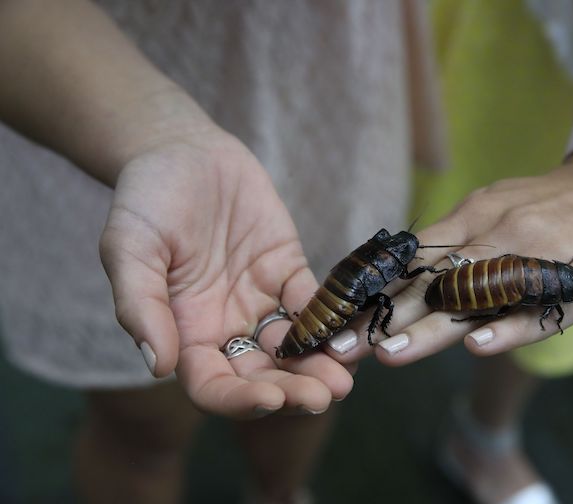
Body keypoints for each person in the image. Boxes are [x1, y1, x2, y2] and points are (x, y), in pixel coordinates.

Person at [0, 1, 445, 501]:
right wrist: (162, 137)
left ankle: (280, 492)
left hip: (327, 98)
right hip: (83, 94)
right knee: (143, 430)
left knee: (301, 405)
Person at [325, 1, 573, 502]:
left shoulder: (555, 275)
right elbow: (534, 295)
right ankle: (486, 434)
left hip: (492, 280)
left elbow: (531, 283)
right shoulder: (554, 288)